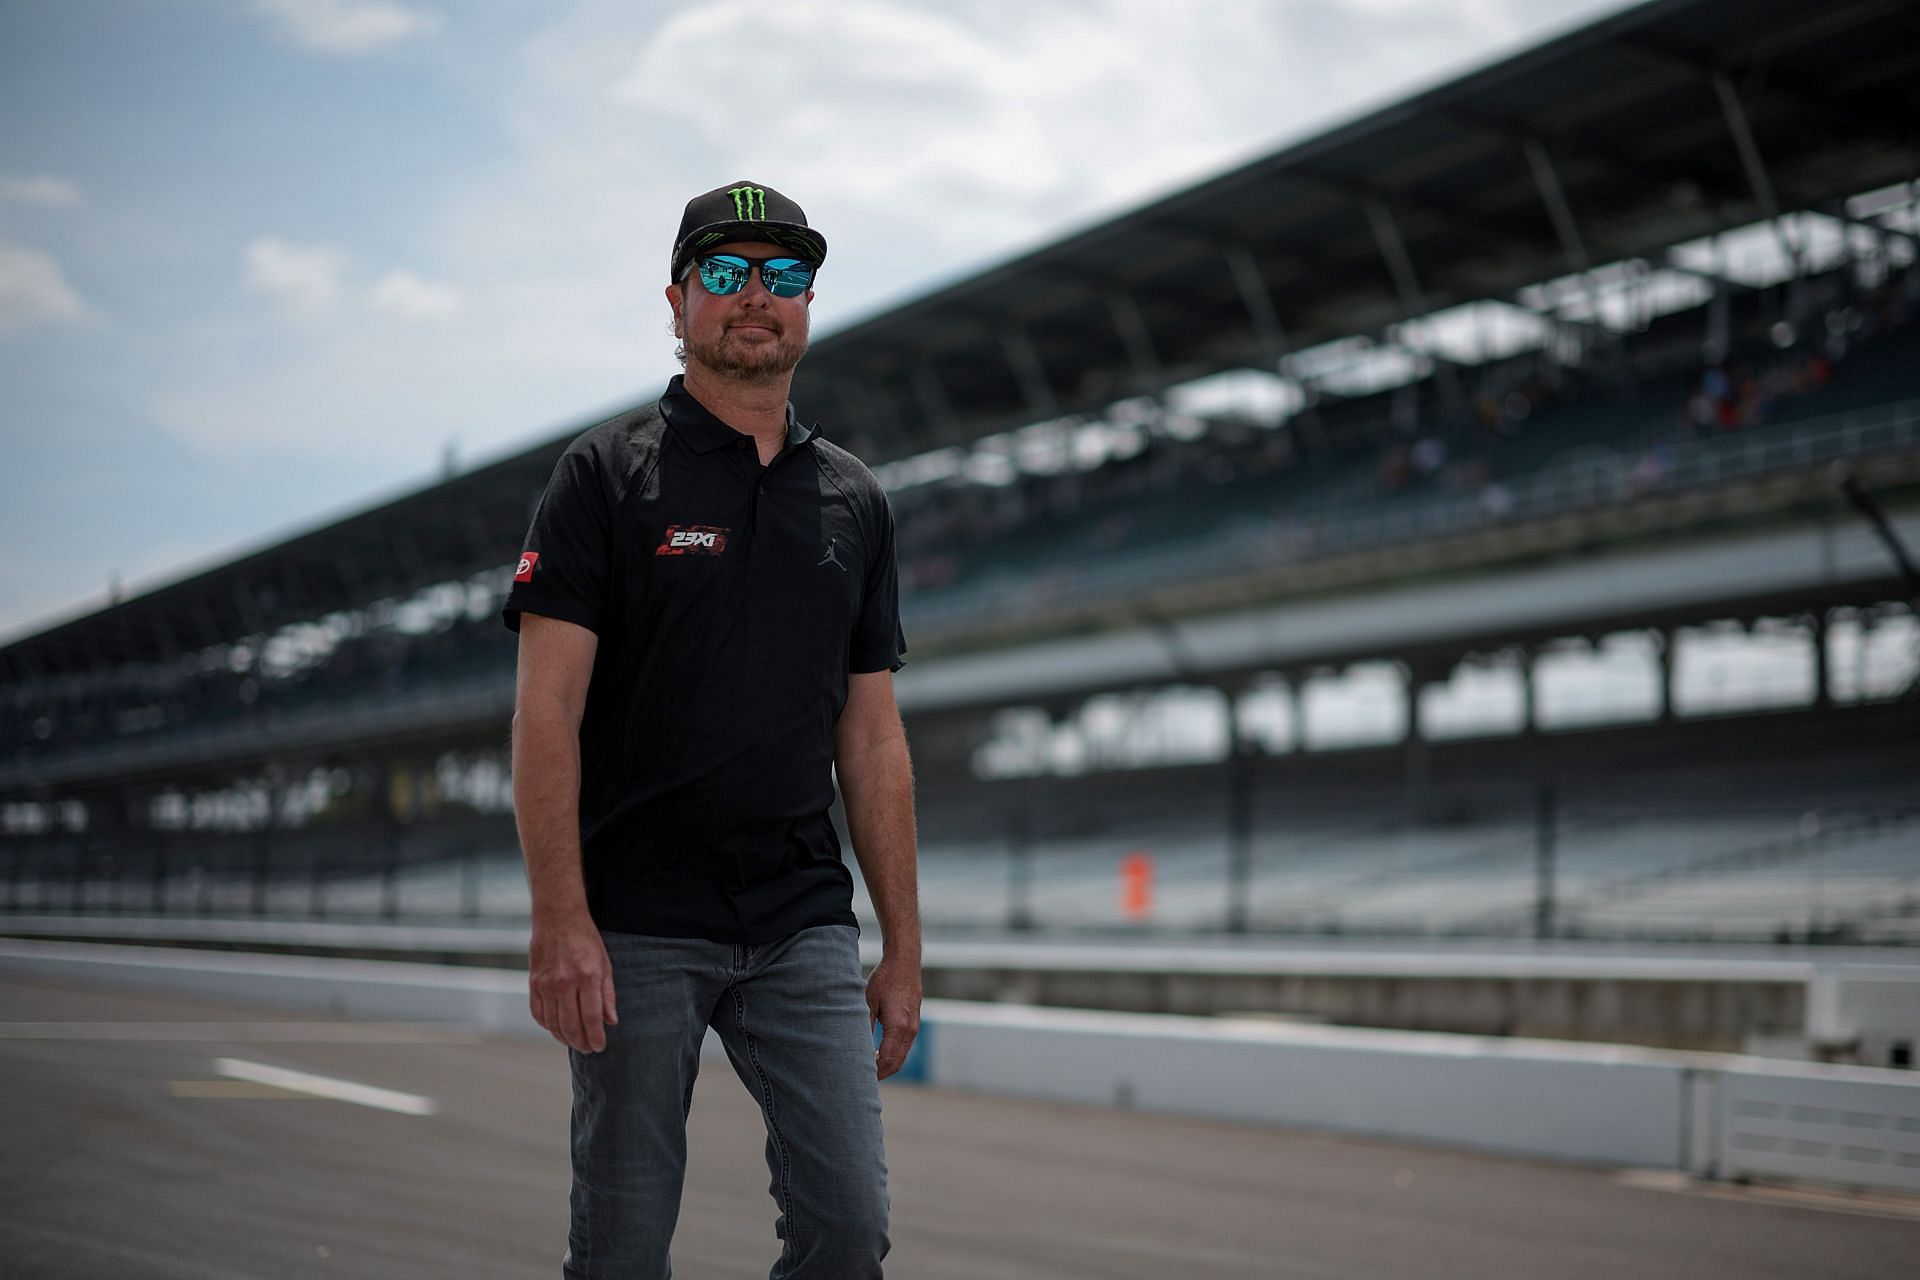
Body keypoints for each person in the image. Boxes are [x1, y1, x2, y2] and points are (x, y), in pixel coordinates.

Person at [501, 180, 921, 1279]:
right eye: (727, 274)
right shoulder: (604, 475)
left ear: (808, 305)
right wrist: (561, 918)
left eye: (783, 277)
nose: (756, 298)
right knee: (625, 1245)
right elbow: (547, 709)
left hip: (800, 917)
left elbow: (871, 737)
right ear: (678, 300)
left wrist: (905, 945)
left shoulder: (856, 500)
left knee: (848, 1227)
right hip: (636, 919)